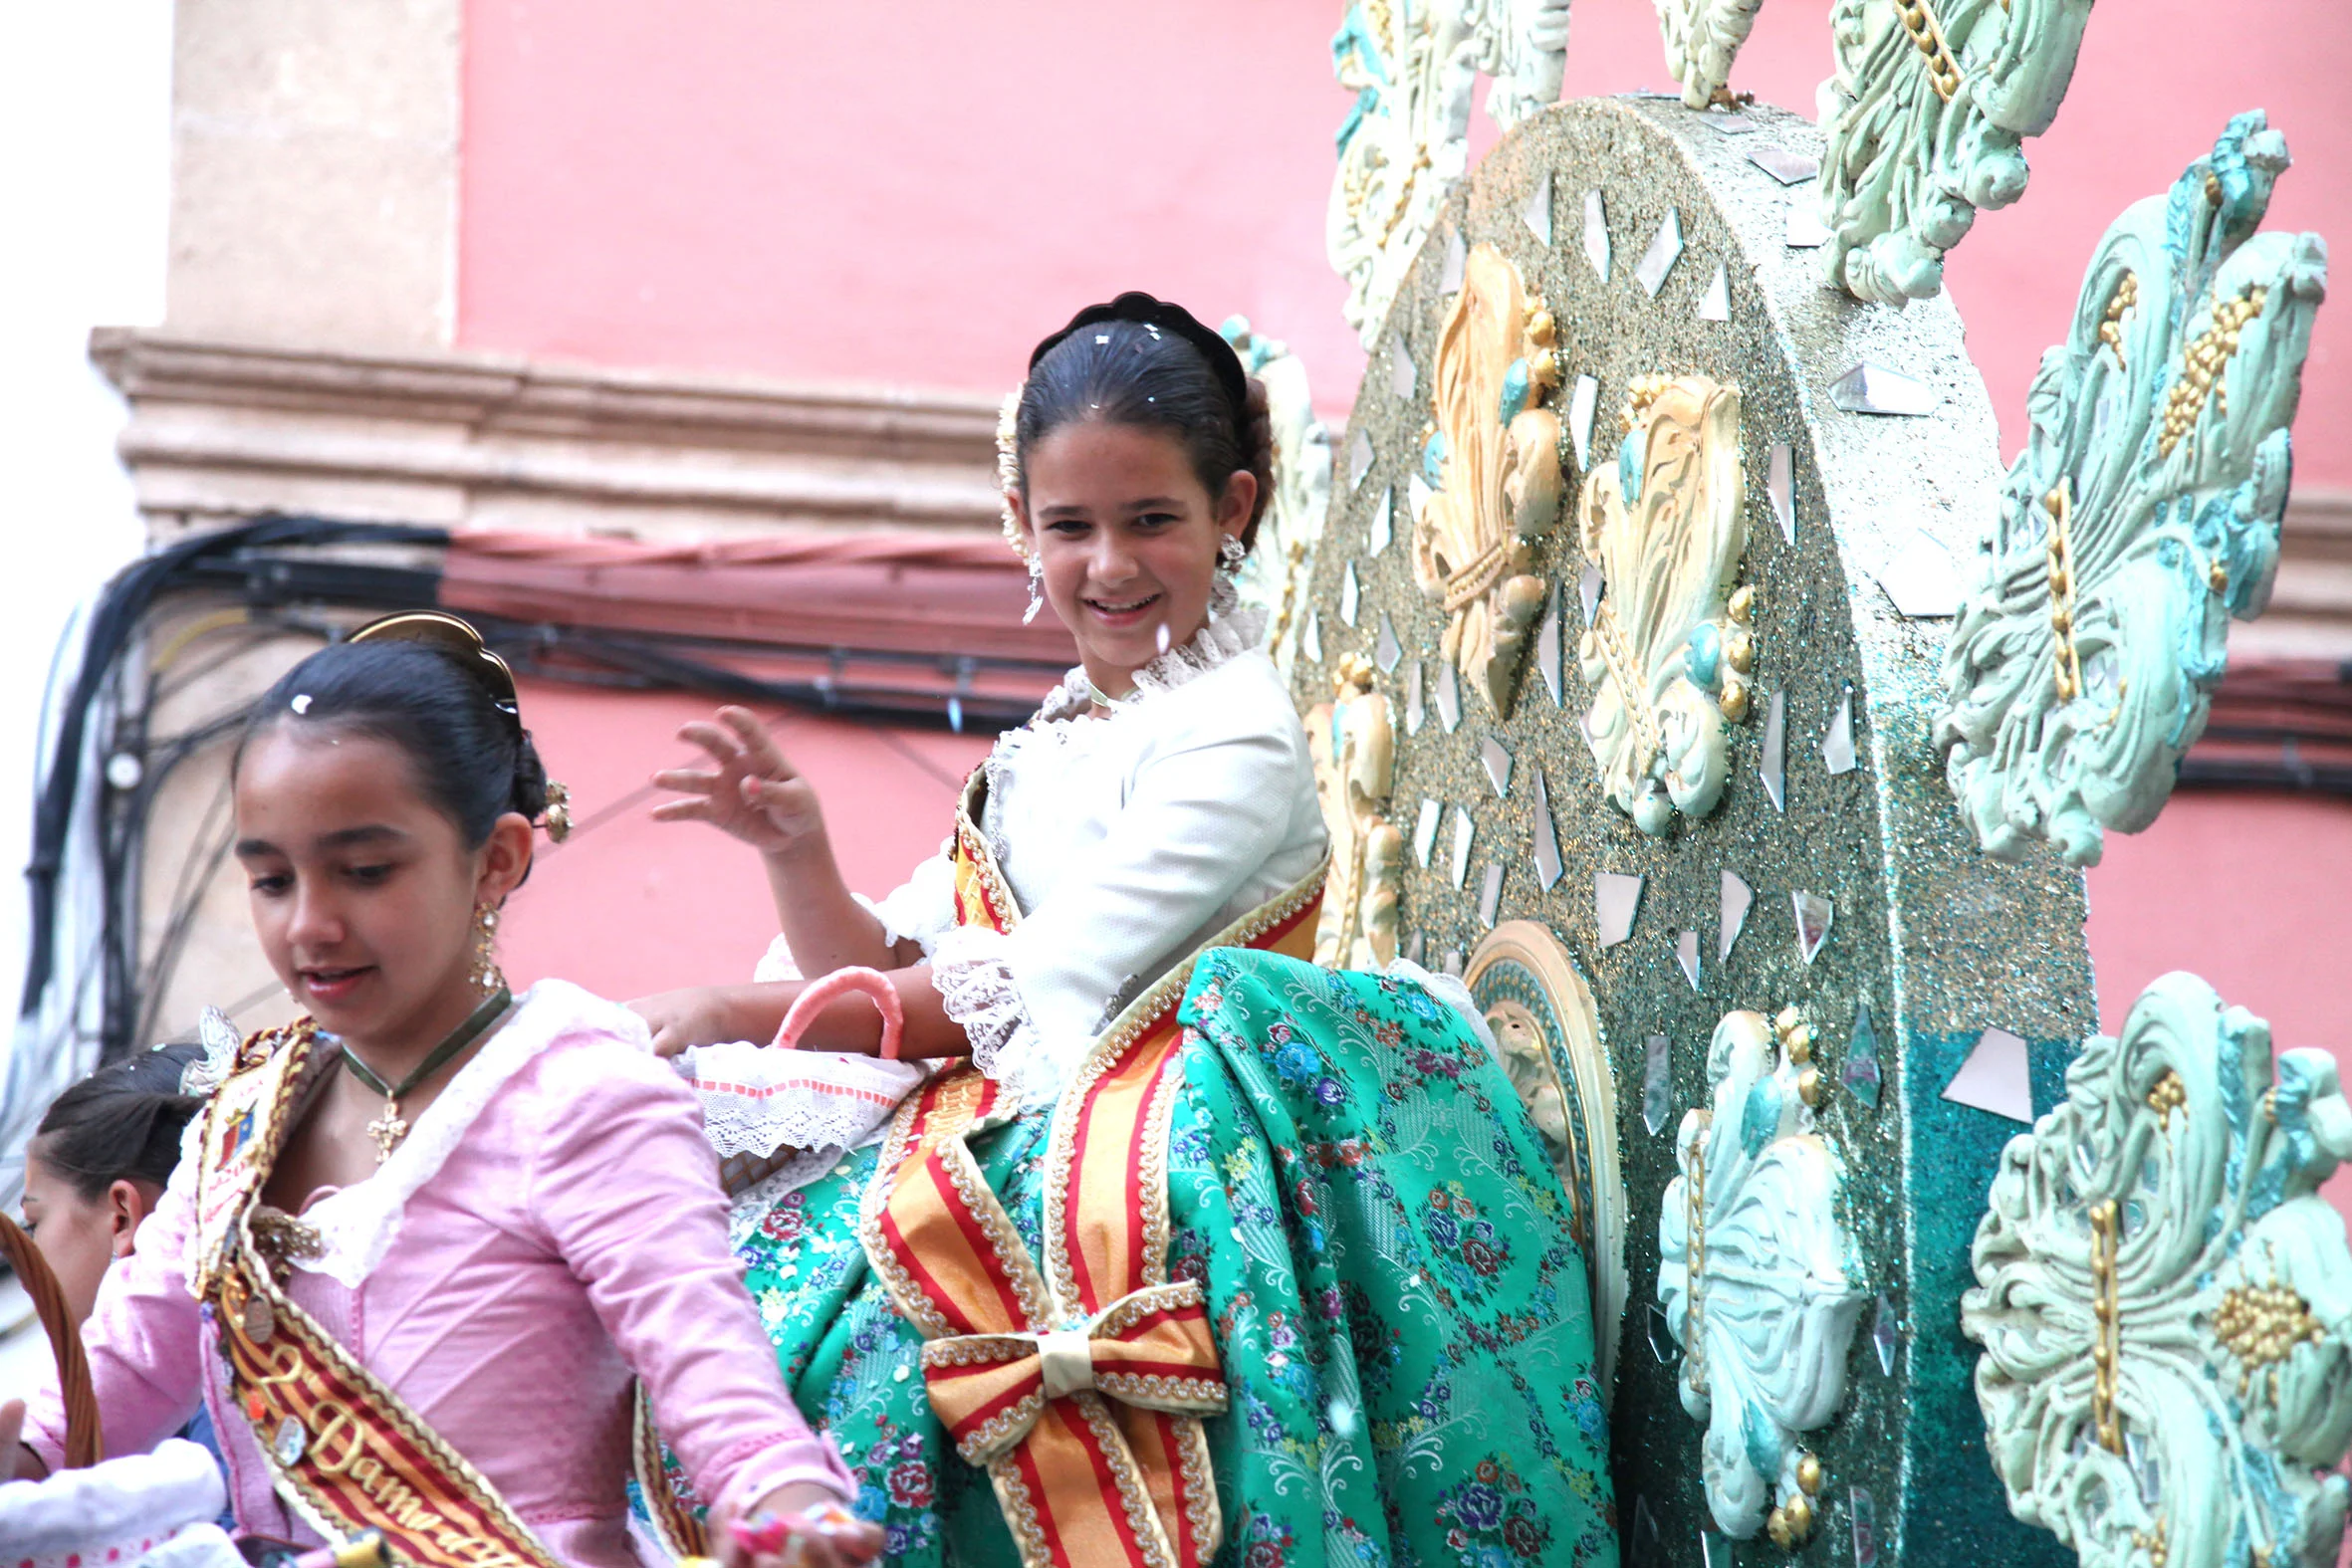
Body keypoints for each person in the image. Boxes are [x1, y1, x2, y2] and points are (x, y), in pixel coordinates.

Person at [635, 294, 1617, 1567]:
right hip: (1034, 1109)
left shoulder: (1235, 731)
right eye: (1071, 528)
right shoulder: (1052, 740)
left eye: (1151, 519)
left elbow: (1044, 986)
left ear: (1237, 512)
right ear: (1020, 530)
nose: (1109, 565)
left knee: (870, 1335)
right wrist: (795, 850)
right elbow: (889, 978)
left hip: (1160, 1149)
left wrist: (725, 1010)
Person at [7, 612, 882, 1568]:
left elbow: (710, 1364)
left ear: (497, 860)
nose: (310, 924)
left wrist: (793, 1514)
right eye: (270, 880)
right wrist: (20, 1452)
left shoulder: (581, 1090)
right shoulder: (239, 1121)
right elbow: (110, 1387)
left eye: (365, 871)